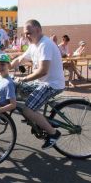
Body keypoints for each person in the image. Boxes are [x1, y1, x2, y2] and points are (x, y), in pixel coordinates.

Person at [10, 19, 65, 150]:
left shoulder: (45, 44)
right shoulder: (34, 44)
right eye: (25, 33)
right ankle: (38, 119)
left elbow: (43, 71)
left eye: (29, 33)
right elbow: (20, 59)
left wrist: (25, 79)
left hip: (52, 84)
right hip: (42, 82)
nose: (26, 36)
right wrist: (6, 66)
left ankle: (53, 133)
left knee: (27, 109)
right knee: (16, 87)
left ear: (38, 30)